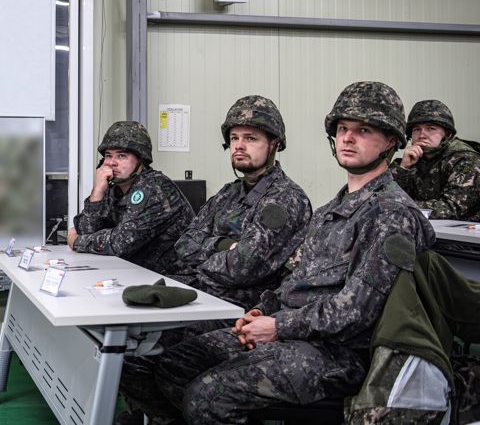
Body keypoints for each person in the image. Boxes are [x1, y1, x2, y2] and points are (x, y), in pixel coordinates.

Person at [120, 82, 435, 424]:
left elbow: (356, 312)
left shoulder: (392, 214)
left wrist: (278, 326)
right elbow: (294, 282)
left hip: (339, 353)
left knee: (209, 396)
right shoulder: (332, 209)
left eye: (363, 130)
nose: (347, 138)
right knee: (176, 366)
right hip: (293, 332)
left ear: (390, 141)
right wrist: (260, 311)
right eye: (343, 129)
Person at [171, 95, 311, 310]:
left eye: (250, 138)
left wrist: (203, 255)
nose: (239, 146)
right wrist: (221, 245)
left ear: (273, 144)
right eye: (234, 138)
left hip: (241, 309)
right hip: (203, 296)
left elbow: (240, 267)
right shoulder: (229, 192)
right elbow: (183, 244)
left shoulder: (285, 198)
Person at [67, 121, 195, 274]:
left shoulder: (154, 187)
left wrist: (76, 242)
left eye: (121, 156)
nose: (112, 163)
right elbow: (87, 230)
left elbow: (120, 243)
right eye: (108, 156)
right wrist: (97, 193)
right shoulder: (112, 188)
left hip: (175, 280)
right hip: (137, 274)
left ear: (140, 160)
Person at [390, 99, 480, 221]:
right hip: (417, 228)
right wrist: (403, 168)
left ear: (447, 135)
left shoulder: (465, 159)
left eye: (431, 128)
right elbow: (381, 198)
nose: (422, 135)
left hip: (459, 236)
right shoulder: (410, 159)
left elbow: (452, 209)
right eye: (416, 129)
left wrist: (400, 207)